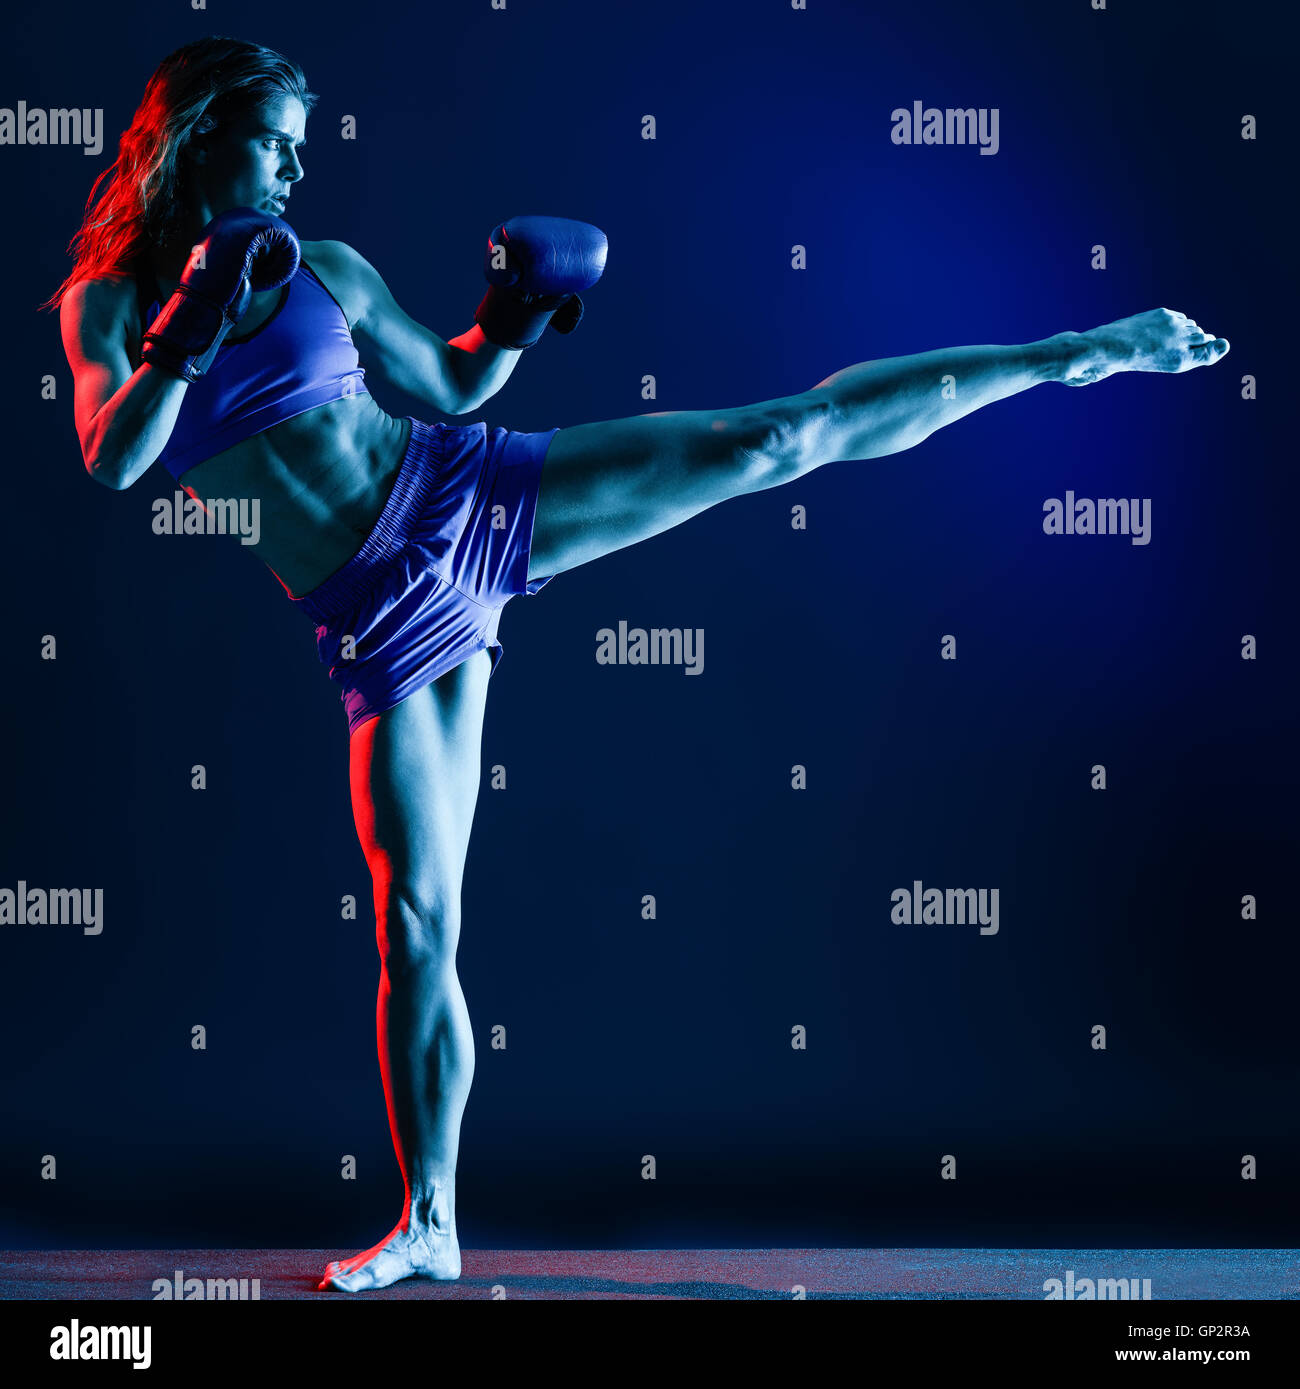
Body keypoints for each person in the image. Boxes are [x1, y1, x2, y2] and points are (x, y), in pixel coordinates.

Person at [49, 36, 1229, 1293]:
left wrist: (508, 319)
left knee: (775, 438)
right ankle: (432, 1223)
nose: (293, 165)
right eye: (272, 138)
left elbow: (448, 383)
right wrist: (189, 325)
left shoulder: (327, 271)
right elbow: (113, 459)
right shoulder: (107, 307)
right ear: (191, 133)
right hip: (378, 618)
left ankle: (1073, 352)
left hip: (466, 494)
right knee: (416, 921)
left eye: (298, 142)